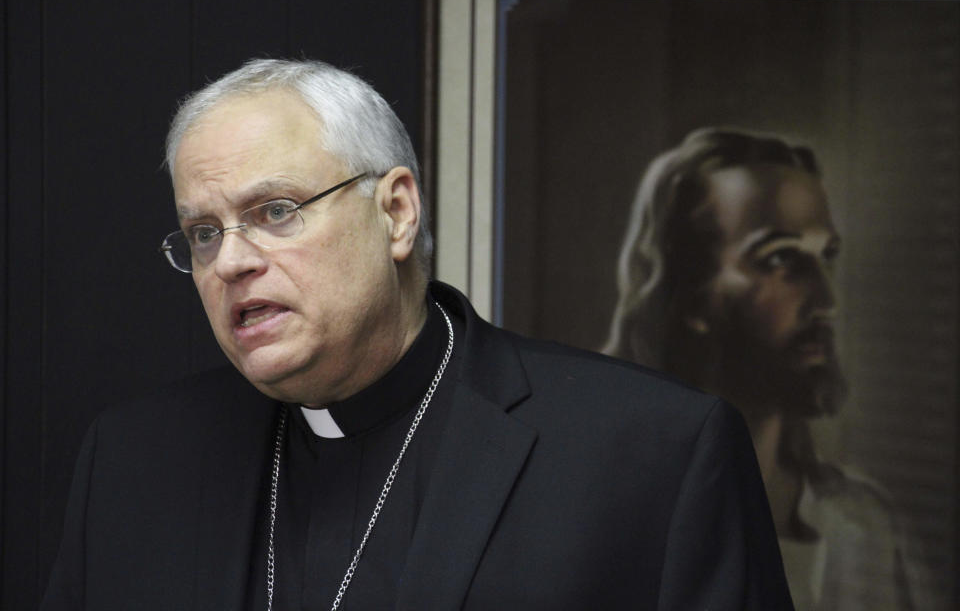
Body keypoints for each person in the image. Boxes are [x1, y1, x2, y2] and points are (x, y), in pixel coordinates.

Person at [42, 61, 792, 610]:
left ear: (396, 212)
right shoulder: (131, 463)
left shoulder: (656, 455)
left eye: (274, 211)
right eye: (202, 233)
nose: (230, 260)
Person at [604, 128, 919, 610]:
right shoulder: (610, 518)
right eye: (781, 259)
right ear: (689, 294)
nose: (827, 302)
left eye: (826, 257)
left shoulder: (860, 524)